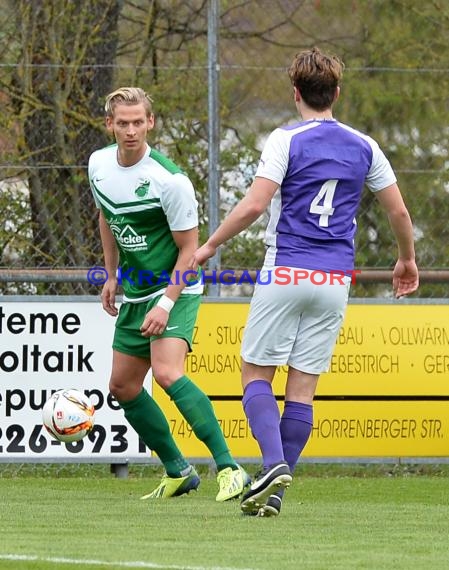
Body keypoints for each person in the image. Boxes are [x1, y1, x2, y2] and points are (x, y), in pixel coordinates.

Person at [192, 47, 419, 516]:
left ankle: (272, 466)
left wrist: (211, 244)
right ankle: (272, 494)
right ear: (336, 92)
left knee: (255, 373)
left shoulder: (285, 139)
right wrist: (406, 260)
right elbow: (398, 211)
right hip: (335, 277)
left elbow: (255, 205)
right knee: (302, 389)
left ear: (295, 93)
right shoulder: (365, 145)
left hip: (287, 268)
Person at [88, 87, 249, 501]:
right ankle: (178, 470)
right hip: (136, 290)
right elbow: (108, 217)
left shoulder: (170, 180)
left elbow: (188, 251)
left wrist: (165, 303)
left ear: (151, 123)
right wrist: (110, 275)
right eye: (122, 123)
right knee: (122, 387)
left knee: (167, 372)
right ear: (110, 124)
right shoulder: (99, 165)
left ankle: (230, 469)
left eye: (138, 122)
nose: (130, 130)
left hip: (175, 287)